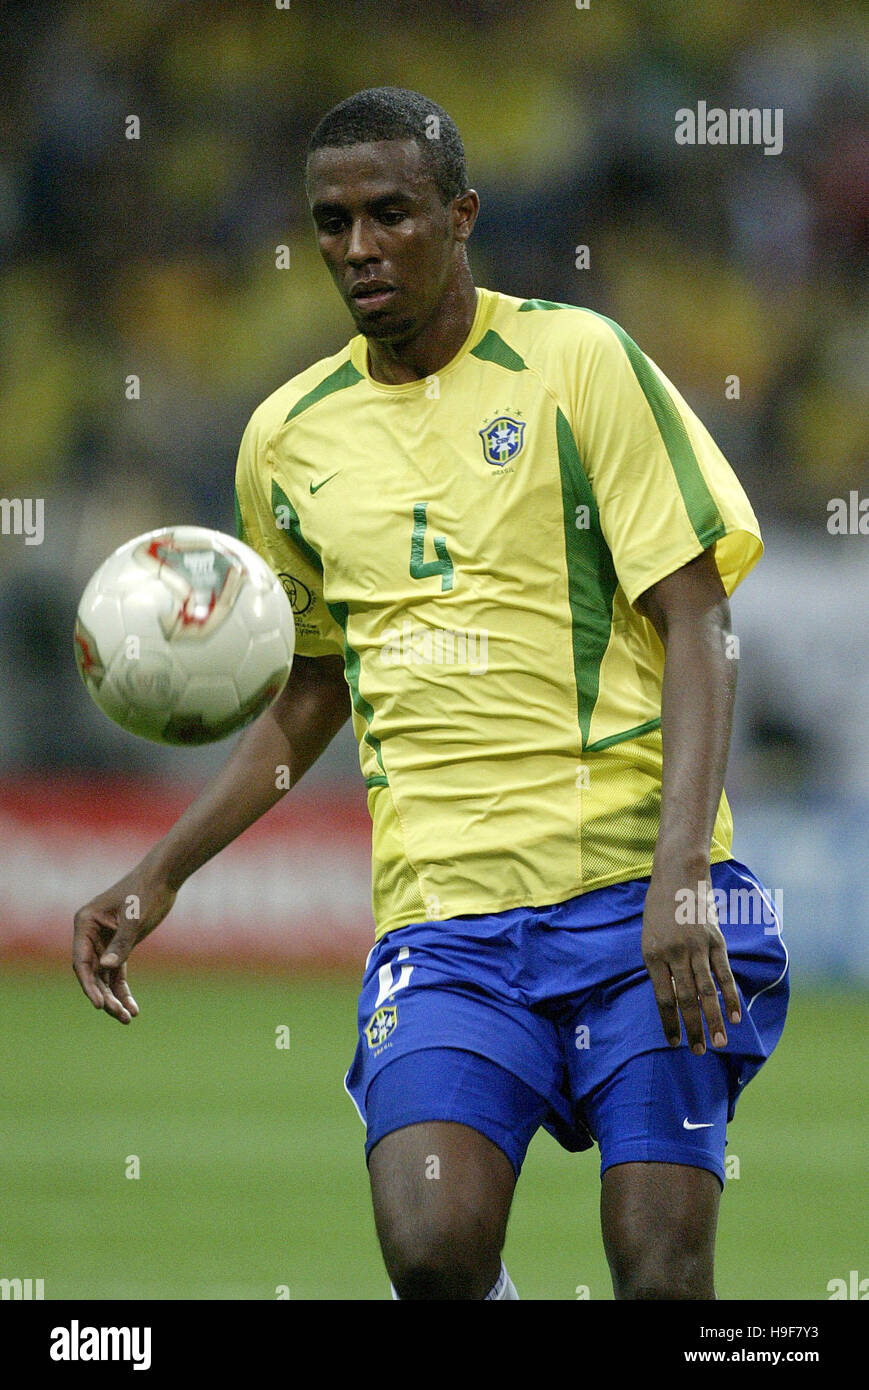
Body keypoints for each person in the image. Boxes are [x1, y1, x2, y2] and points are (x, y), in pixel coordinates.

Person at [73, 87, 789, 1301]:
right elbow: (311, 692)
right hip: (446, 929)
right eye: (332, 223)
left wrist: (680, 876)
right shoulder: (285, 439)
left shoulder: (578, 363)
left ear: (460, 216)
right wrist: (161, 871)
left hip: (631, 896)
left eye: (390, 214)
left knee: (660, 1275)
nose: (358, 248)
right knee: (430, 1252)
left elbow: (697, 622)